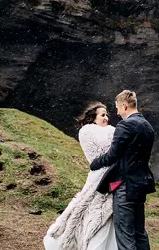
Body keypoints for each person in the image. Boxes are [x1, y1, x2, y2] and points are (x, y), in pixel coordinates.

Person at [44, 102, 118, 250]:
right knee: (94, 211)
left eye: (107, 115)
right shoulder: (88, 131)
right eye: (102, 115)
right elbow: (103, 152)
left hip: (110, 175)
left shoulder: (106, 130)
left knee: (105, 212)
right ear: (93, 118)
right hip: (100, 177)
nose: (106, 118)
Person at [90, 90, 156, 250]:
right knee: (140, 233)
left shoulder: (125, 125)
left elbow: (113, 155)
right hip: (141, 185)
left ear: (125, 106)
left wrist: (94, 163)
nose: (118, 113)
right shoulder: (148, 126)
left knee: (125, 236)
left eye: (118, 108)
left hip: (125, 186)